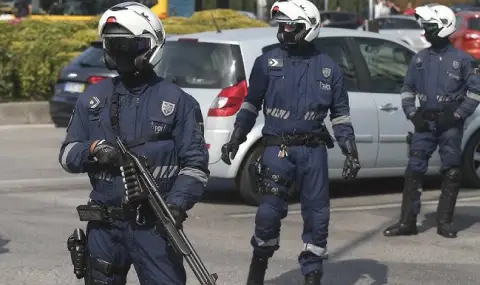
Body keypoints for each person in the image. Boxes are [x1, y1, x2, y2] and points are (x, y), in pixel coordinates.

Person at [58, 2, 209, 284]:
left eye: (129, 46)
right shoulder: (93, 98)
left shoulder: (178, 102)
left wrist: (176, 206)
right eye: (115, 46)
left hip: (153, 223)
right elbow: (67, 155)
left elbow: (195, 166)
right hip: (104, 226)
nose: (121, 54)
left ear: (151, 46)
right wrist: (94, 151)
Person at [221, 0, 361, 284]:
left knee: (318, 217)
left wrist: (350, 150)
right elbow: (250, 105)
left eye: (291, 26)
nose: (284, 31)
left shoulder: (329, 68)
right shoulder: (266, 61)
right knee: (268, 215)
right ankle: (256, 273)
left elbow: (341, 116)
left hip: (314, 153)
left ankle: (312, 275)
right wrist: (236, 137)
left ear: (309, 28)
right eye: (282, 25)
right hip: (277, 150)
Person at [383, 4, 480, 239]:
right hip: (424, 123)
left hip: (450, 126)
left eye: (430, 27)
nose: (425, 31)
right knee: (413, 171)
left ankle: (444, 222)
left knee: (452, 171)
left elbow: (475, 92)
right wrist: (412, 114)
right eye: (424, 27)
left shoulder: (463, 60)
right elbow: (407, 89)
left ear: (444, 28)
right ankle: (407, 222)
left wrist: (457, 115)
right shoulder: (419, 59)